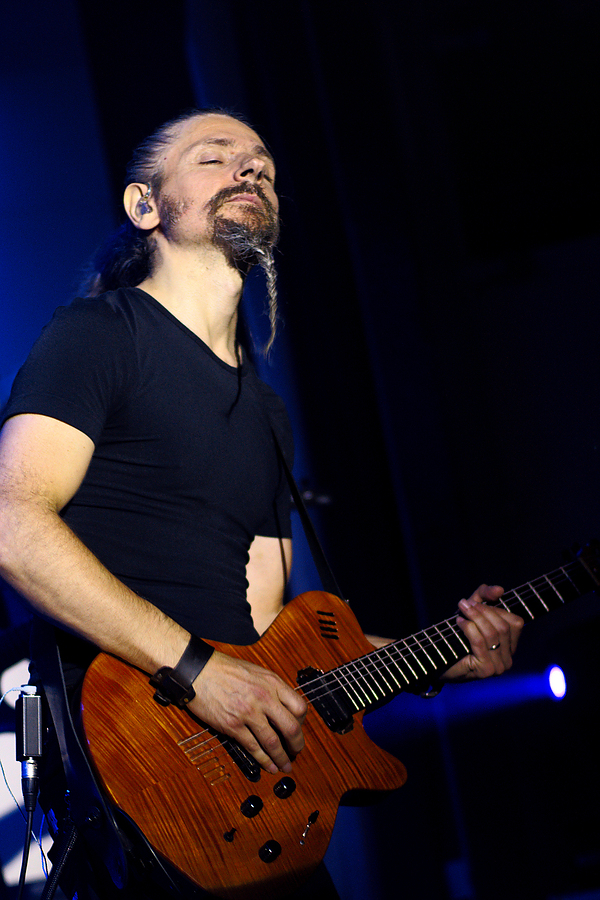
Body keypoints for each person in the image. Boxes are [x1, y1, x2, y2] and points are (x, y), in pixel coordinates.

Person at [0, 109, 523, 899]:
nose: (250, 171)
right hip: (127, 757)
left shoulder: (267, 412)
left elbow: (270, 636)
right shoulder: (100, 335)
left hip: (237, 786)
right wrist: (198, 671)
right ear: (146, 208)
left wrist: (446, 656)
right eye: (216, 158)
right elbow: (12, 521)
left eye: (264, 167)